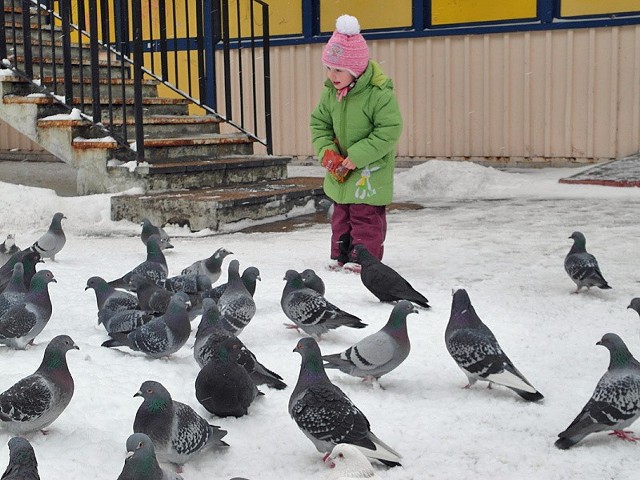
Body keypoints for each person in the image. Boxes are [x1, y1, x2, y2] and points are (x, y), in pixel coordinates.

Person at [310, 14, 403, 273]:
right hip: (339, 168)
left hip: (368, 170)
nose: (332, 75)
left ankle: (363, 258)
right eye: (328, 68)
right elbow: (319, 124)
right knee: (341, 214)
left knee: (364, 215)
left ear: (356, 69)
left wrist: (359, 155)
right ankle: (340, 254)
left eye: (338, 69)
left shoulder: (379, 93)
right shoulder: (330, 92)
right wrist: (326, 151)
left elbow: (389, 130)